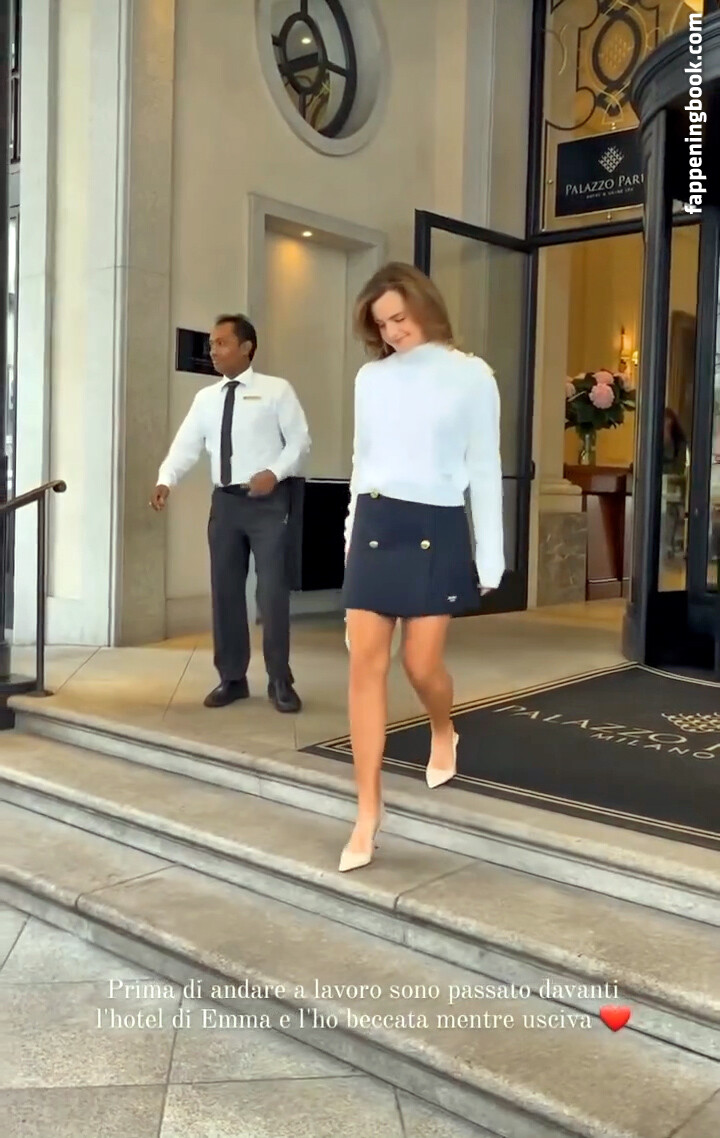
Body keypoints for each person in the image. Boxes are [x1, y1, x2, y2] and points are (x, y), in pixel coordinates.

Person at [339, 263, 503, 872]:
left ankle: (442, 726)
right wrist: (350, 542)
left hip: (437, 523)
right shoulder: (371, 378)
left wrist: (490, 556)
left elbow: (484, 468)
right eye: (381, 325)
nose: (392, 332)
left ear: (425, 307)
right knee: (365, 665)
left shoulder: (472, 375)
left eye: (399, 318)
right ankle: (367, 813)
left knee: (420, 664)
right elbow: (361, 464)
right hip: (376, 522)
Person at [150, 314, 310, 712]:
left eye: (221, 343)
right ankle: (232, 678)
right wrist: (166, 478)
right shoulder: (206, 399)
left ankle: (279, 679)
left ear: (246, 347)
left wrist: (274, 473)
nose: (213, 351)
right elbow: (186, 444)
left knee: (271, 593)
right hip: (225, 504)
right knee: (225, 592)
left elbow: (300, 442)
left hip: (269, 503)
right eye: (211, 344)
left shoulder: (276, 390)